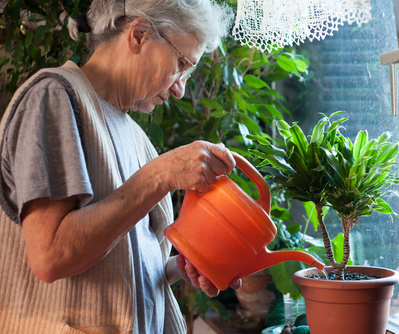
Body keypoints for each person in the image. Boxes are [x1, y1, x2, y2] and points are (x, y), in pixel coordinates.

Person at [0, 0, 240, 333]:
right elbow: (51, 256)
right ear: (139, 35)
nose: (180, 89)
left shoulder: (136, 136)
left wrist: (183, 266)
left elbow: (121, 265)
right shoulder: (54, 97)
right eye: (182, 63)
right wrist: (160, 175)